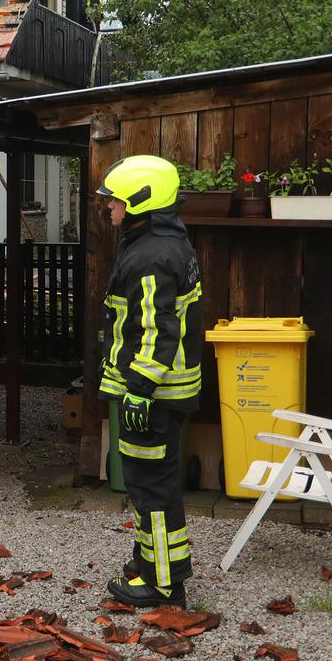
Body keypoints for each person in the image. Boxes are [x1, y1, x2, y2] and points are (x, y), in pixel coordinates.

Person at [96, 155, 203, 608]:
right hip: (166, 391)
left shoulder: (151, 256)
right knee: (150, 482)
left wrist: (138, 390)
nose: (110, 209)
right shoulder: (164, 242)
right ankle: (154, 561)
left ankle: (162, 585)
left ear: (140, 201)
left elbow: (158, 333)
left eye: (116, 201)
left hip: (153, 394)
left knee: (151, 486)